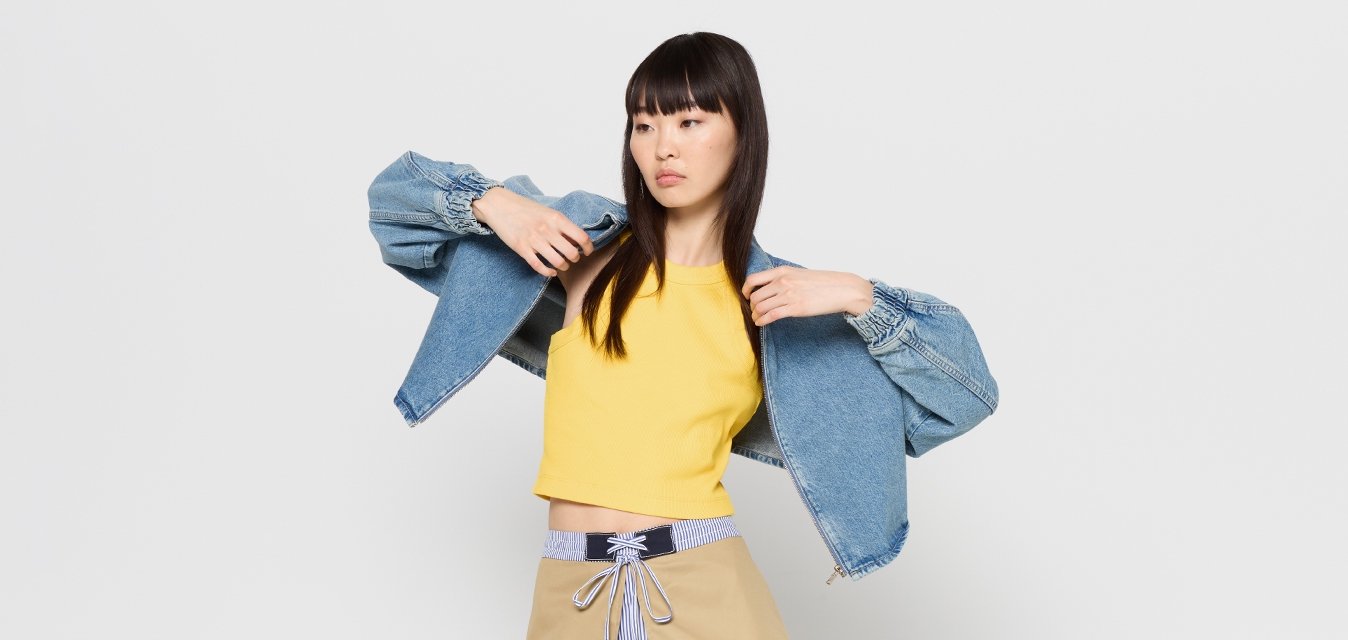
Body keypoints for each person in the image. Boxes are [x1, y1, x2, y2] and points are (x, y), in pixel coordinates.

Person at [367, 31, 1000, 640]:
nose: (663, 147)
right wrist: (495, 204)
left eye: (689, 122)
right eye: (644, 125)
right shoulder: (585, 249)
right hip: (571, 587)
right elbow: (394, 210)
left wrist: (863, 297)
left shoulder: (776, 301)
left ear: (743, 134)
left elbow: (966, 396)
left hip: (701, 583)